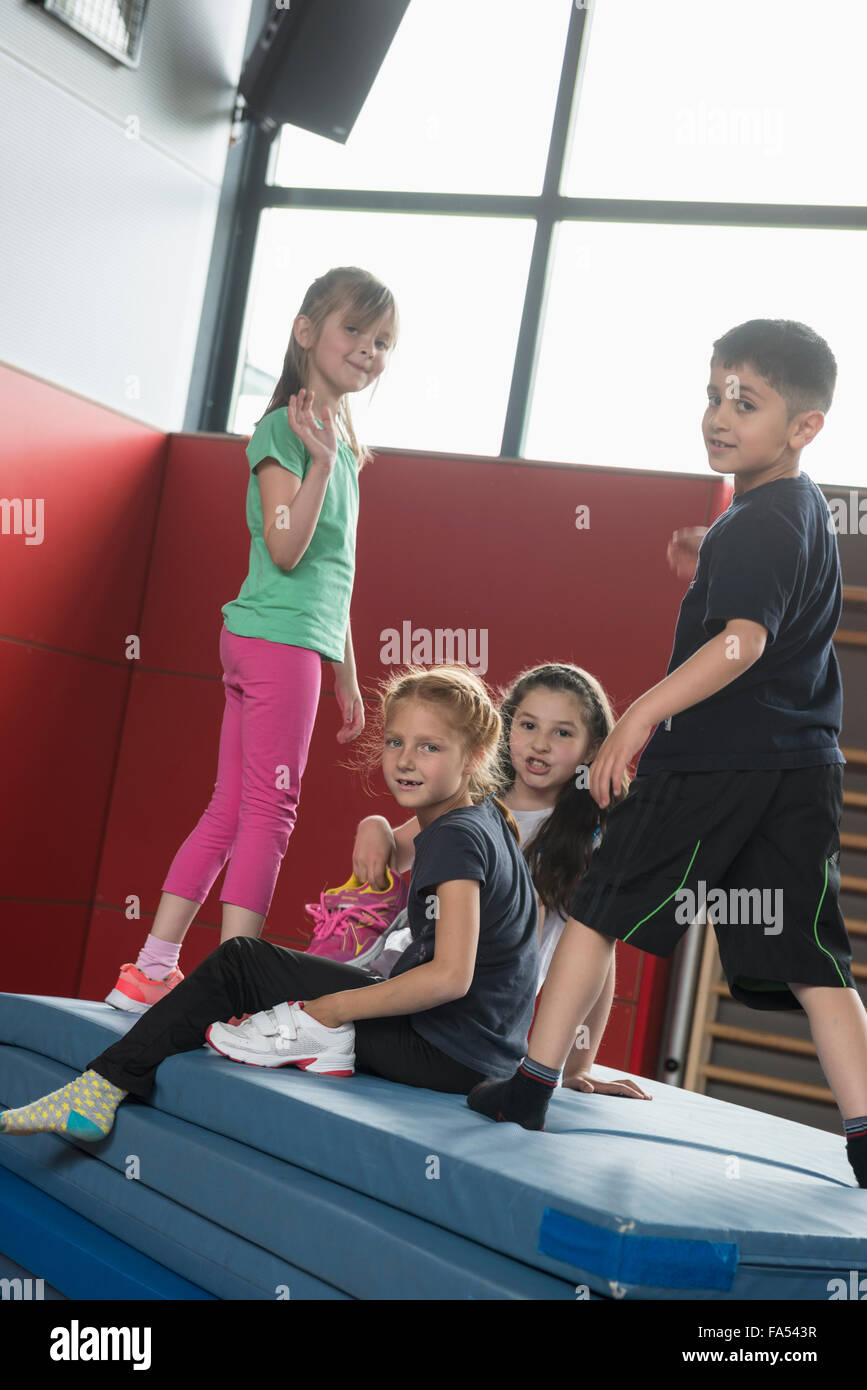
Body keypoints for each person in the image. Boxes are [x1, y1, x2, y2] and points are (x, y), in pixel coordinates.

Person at [467, 319, 867, 1189]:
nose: (719, 415)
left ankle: (529, 1085)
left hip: (717, 761)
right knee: (810, 953)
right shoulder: (792, 511)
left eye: (746, 402)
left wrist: (639, 714)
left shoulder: (760, 523)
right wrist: (709, 556)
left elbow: (744, 644)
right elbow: (771, 611)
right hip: (802, 766)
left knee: (597, 909)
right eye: (714, 393)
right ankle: (865, 1133)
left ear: (803, 427)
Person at [1, 666, 543, 1140]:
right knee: (255, 970)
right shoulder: (483, 818)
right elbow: (397, 848)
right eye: (395, 742)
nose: (405, 761)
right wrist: (374, 824)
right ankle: (116, 1079)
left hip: (445, 1049)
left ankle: (98, 1090)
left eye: (430, 747)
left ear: (472, 757)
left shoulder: (454, 837)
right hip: (480, 1050)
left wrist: (327, 1011)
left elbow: (451, 977)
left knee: (243, 961)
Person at [104, 267, 398, 1015]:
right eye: (354, 331)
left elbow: (337, 573)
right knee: (272, 815)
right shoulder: (286, 432)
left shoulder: (340, 439)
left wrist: (346, 672)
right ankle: (235, 987)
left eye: (383, 341)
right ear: (305, 332)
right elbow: (289, 549)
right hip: (275, 645)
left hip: (290, 646)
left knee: (231, 811)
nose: (369, 349)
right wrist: (321, 465)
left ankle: (152, 966)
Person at [350, 663, 651, 1099]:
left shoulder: (588, 843)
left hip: (479, 1018)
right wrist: (374, 825)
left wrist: (577, 1065)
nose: (540, 745)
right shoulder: (475, 808)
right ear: (504, 730)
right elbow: (395, 853)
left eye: (563, 733)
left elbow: (597, 957)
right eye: (528, 725)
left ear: (593, 750)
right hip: (414, 981)